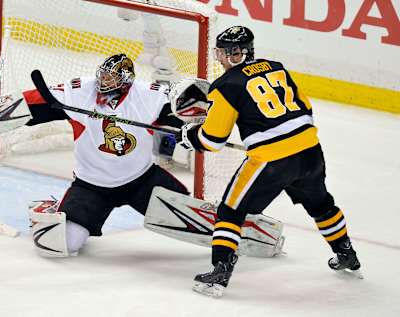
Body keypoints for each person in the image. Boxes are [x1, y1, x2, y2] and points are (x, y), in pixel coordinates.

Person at [176, 26, 361, 297]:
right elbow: (305, 107)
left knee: (230, 212)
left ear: (236, 54)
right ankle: (347, 254)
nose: (220, 58)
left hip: (271, 160)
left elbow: (213, 141)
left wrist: (191, 137)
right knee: (321, 204)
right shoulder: (277, 67)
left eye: (224, 53)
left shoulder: (226, 85)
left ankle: (219, 273)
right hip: (310, 150)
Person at [20, 53, 189, 256]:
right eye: (103, 75)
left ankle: (229, 227)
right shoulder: (80, 90)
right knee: (66, 243)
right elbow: (34, 101)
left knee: (189, 220)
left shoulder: (148, 95)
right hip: (92, 186)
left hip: (142, 181)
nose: (103, 81)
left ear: (125, 81)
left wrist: (196, 124)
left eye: (110, 78)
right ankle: (49, 209)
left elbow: (183, 110)